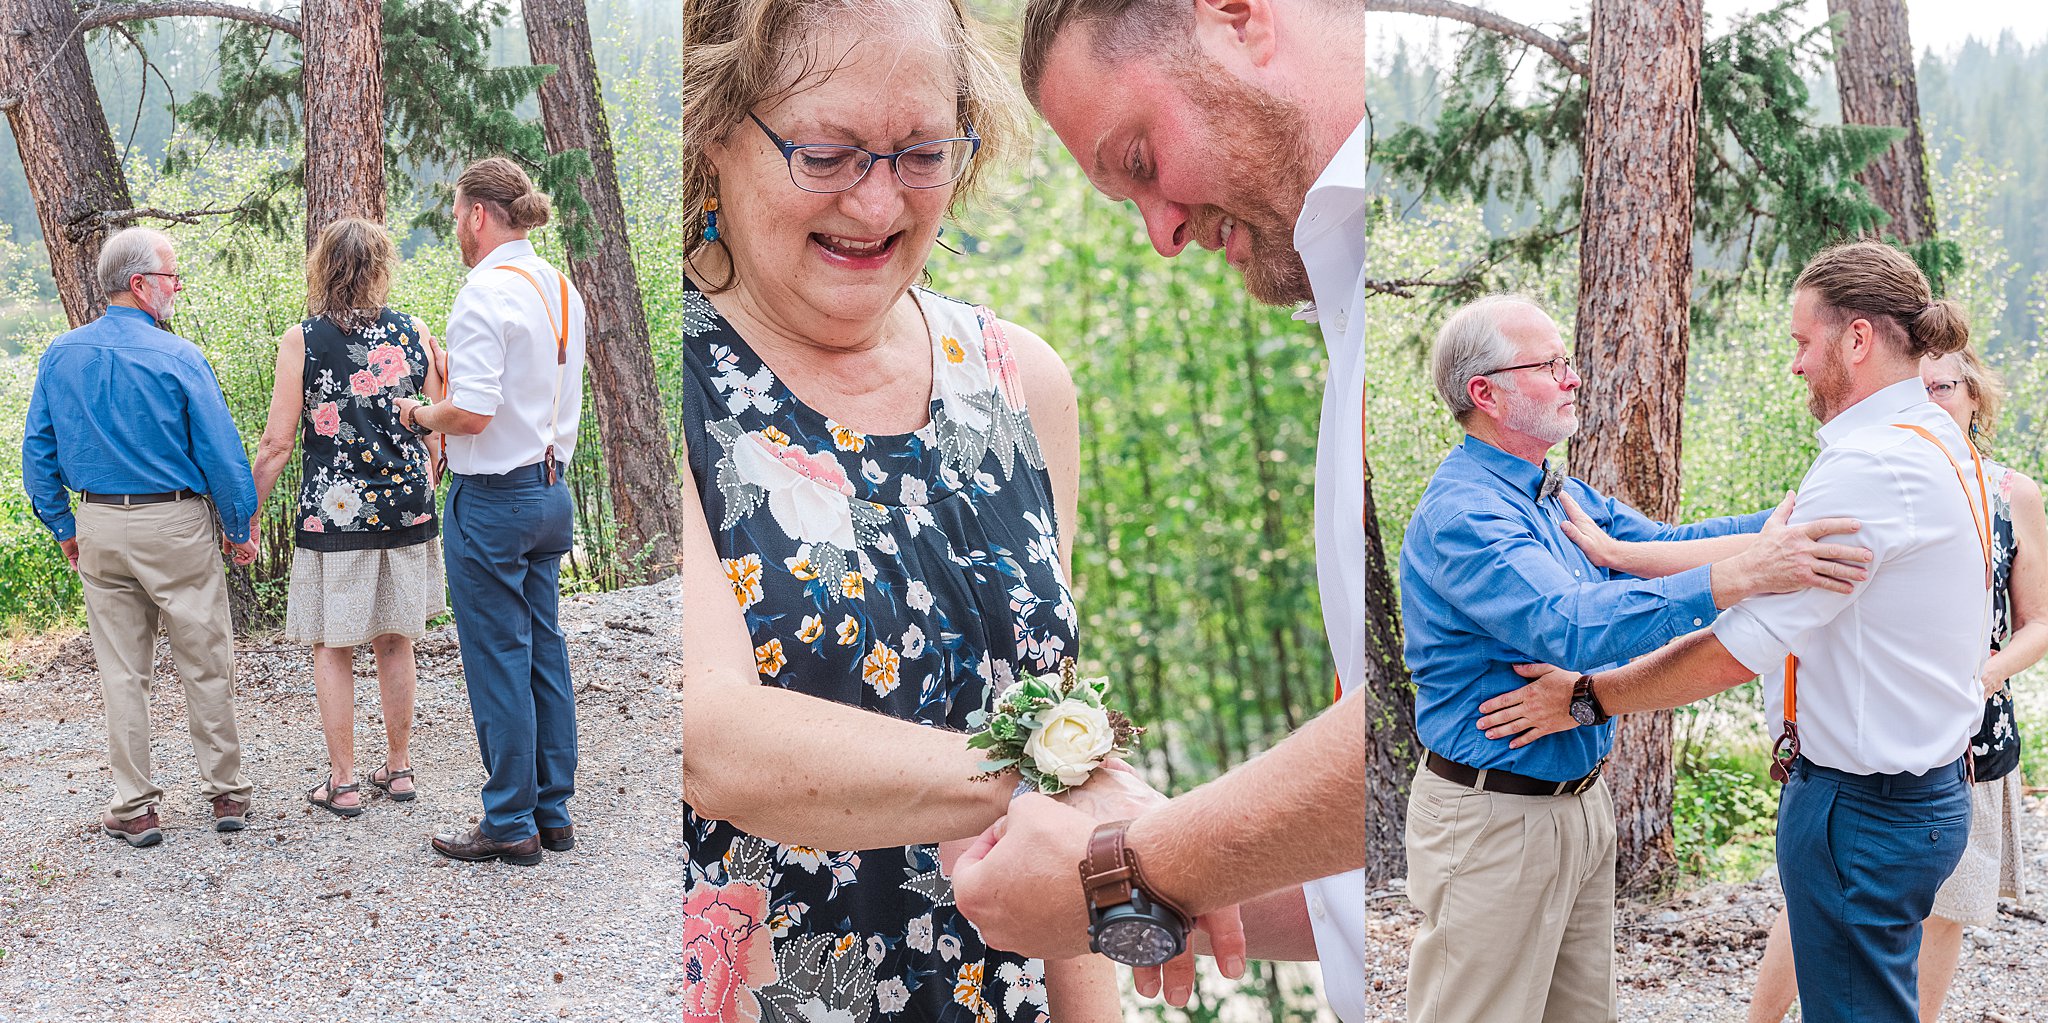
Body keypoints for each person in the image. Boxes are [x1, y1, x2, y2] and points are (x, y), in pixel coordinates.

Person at [674, 0, 1129, 1018]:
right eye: (828, 154)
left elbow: (1052, 715)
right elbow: (712, 738)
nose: (877, 205)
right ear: (715, 131)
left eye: (921, 152)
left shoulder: (1021, 385)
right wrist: (1058, 794)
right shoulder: (663, 380)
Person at [949, 0, 1368, 1016]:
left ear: (1234, 18)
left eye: (1138, 157)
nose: (1162, 235)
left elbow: (1439, 718)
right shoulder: (1345, 294)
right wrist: (1162, 893)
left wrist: (1132, 859)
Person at [1480, 242, 1990, 1023]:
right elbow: (1777, 545)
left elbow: (1734, 649)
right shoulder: (1934, 440)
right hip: (1917, 796)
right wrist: (1624, 553)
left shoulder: (1873, 465)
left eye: (1801, 342)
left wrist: (1587, 697)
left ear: (1856, 339)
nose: (1795, 365)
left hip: (1865, 813)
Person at [1390, 293, 1869, 1023]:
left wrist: (1802, 516)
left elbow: (1661, 548)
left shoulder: (1552, 491)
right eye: (1550, 364)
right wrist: (1744, 575)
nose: (1572, 376)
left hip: (1578, 805)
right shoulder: (1467, 515)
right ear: (1484, 393)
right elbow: (1572, 626)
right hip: (1491, 819)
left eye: (1567, 360)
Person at [1741, 345, 2047, 1023]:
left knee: (1943, 910)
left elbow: (2040, 619)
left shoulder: (2009, 492)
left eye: (1944, 385)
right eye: (1921, 382)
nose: (1930, 395)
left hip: (1970, 721)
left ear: (1974, 396)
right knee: (1819, 904)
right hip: (1875, 732)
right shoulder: (1881, 468)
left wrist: (1982, 676)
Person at [21, 226, 260, 848]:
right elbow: (223, 454)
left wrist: (64, 525)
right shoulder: (178, 357)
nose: (176, 288)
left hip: (99, 521)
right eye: (172, 277)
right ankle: (227, 793)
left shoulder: (60, 354)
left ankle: (136, 807)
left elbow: (37, 452)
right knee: (205, 659)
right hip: (175, 522)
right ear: (140, 284)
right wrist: (239, 526)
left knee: (123, 671)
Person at [393, 157, 584, 866]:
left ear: (479, 214)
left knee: (499, 656)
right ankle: (551, 809)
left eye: (454, 213)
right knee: (544, 649)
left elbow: (471, 413)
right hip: (550, 489)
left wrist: (418, 412)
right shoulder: (561, 287)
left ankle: (508, 818)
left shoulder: (482, 294)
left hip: (495, 497)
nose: (454, 226)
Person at [251, 217, 447, 818]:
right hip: (407, 507)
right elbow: (437, 427)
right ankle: (400, 769)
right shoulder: (415, 331)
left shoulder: (302, 339)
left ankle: (343, 783)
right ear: (381, 267)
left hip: (336, 516)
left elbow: (278, 443)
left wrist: (248, 513)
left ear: (322, 269)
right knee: (396, 640)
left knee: (333, 646)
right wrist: (428, 480)